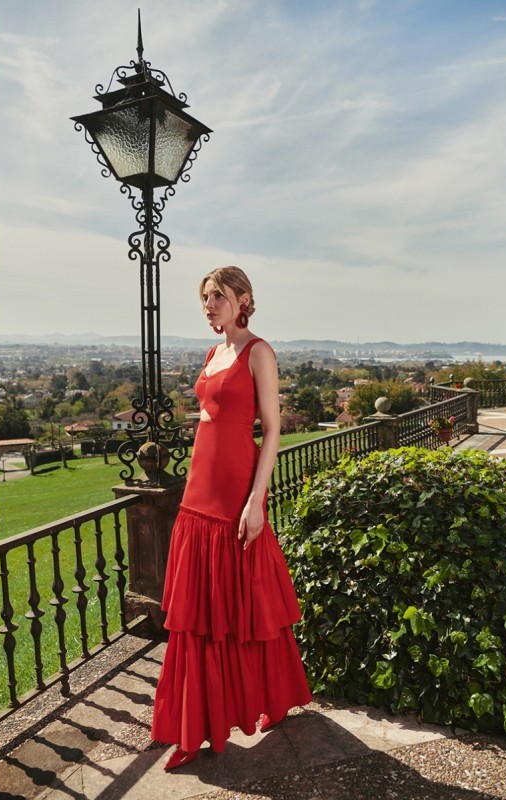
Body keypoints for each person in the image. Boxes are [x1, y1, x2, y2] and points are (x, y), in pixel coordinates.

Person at [150, 265, 311, 770]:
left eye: (218, 296)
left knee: (248, 610)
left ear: (243, 299)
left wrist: (256, 500)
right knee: (199, 617)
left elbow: (272, 432)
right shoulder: (212, 353)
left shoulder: (259, 352)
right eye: (204, 298)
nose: (209, 306)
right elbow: (209, 420)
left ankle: (271, 701)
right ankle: (194, 729)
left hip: (236, 497)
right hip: (198, 496)